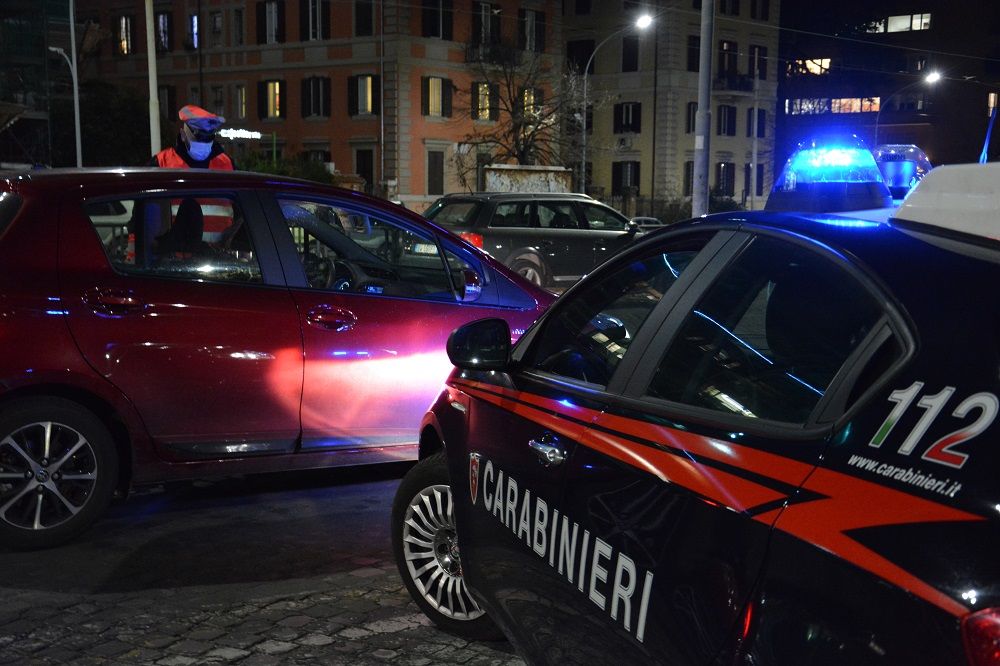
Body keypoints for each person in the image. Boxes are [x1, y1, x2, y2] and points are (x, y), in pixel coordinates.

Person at [151, 104, 234, 170]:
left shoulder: (226, 163)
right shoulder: (163, 162)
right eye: (199, 137)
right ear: (183, 135)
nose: (203, 143)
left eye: (209, 137)